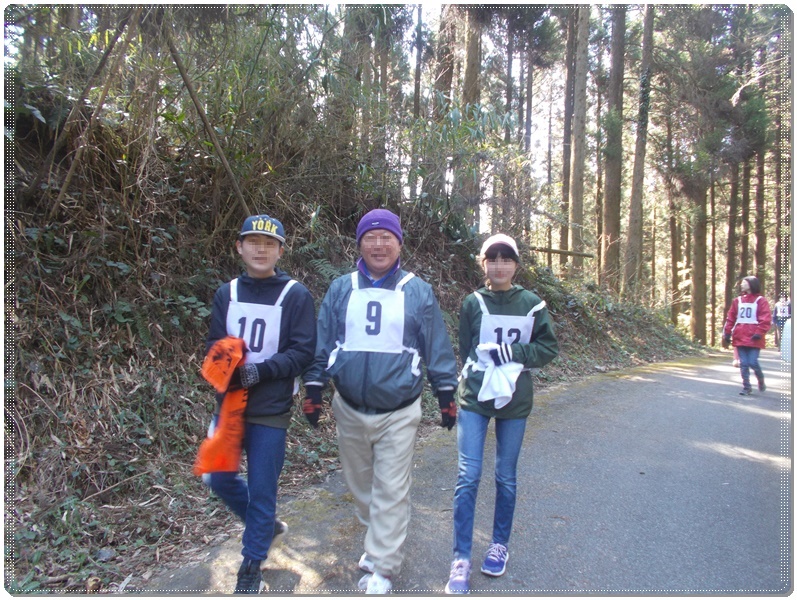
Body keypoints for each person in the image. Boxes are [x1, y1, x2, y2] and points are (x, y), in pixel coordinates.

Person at [302, 208, 458, 594]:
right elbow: (324, 339)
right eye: (370, 237)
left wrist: (445, 393)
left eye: (386, 237)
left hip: (399, 409)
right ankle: (377, 542)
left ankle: (384, 566)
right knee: (361, 486)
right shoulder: (342, 288)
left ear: (399, 244)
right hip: (349, 406)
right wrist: (314, 387)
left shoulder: (416, 290)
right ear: (359, 244)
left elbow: (435, 344)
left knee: (391, 488)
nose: (378, 244)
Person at [203, 214, 316, 593]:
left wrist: (261, 371)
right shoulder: (228, 292)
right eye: (253, 242)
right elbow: (214, 343)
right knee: (216, 477)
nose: (261, 250)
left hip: (270, 408)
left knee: (263, 489)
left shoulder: (295, 294)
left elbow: (303, 351)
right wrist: (225, 367)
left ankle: (250, 569)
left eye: (270, 244)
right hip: (230, 406)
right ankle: (264, 526)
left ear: (281, 251)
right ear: (239, 247)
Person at [445, 234, 558, 595]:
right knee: (468, 475)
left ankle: (498, 545)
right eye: (492, 259)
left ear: (516, 264)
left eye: (506, 258)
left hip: (515, 397)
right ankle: (461, 558)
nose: (499, 265)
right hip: (475, 396)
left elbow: (548, 347)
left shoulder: (532, 304)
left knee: (505, 476)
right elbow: (467, 348)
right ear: (483, 264)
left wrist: (513, 353)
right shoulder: (472, 302)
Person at [722, 275, 771, 396]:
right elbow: (731, 318)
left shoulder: (761, 301)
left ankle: (760, 378)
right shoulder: (737, 301)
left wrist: (759, 332)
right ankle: (746, 386)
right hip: (740, 335)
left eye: (744, 283)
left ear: (751, 285)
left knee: (752, 362)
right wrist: (727, 332)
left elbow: (765, 319)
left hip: (754, 337)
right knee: (743, 363)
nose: (742, 285)